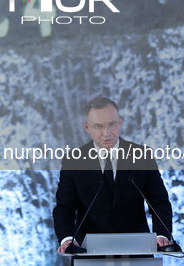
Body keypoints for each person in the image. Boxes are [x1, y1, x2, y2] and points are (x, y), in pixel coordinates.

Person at [53, 97, 173, 253]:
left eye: (112, 124)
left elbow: (159, 203)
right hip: (88, 251)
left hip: (137, 250)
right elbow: (64, 208)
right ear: (87, 127)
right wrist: (68, 239)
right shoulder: (73, 161)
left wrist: (161, 235)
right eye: (98, 127)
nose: (106, 133)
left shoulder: (142, 156)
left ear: (120, 121)